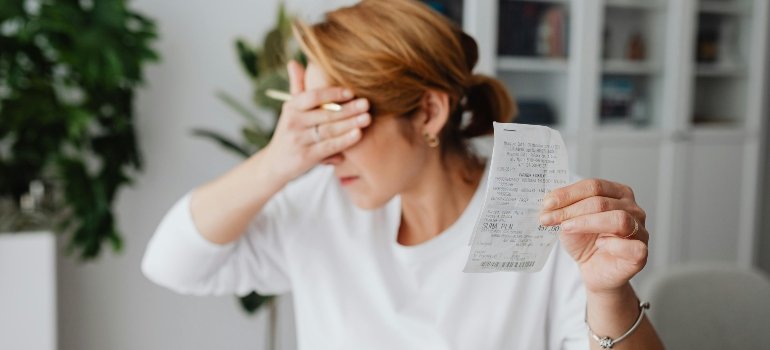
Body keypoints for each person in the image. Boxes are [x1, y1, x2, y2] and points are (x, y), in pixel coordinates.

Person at [142, 1, 664, 349]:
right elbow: (172, 265)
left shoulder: (546, 211)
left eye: (341, 122)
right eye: (310, 122)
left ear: (429, 113)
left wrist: (608, 294)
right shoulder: (320, 204)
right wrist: (278, 160)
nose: (325, 153)